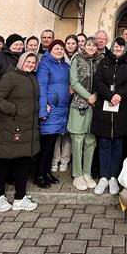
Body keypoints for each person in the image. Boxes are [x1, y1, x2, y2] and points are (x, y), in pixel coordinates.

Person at [0, 52, 40, 212]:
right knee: (3, 161)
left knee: (23, 163)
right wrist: (14, 110)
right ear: (21, 61)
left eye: (33, 62)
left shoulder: (31, 78)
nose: (31, 64)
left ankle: (20, 198)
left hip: (27, 128)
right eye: (28, 61)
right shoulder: (10, 76)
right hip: (11, 127)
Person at [92, 38, 127, 195]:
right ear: (112, 47)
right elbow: (97, 81)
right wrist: (109, 95)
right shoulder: (104, 62)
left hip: (122, 108)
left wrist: (120, 95)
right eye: (116, 46)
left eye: (121, 46)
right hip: (105, 107)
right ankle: (103, 177)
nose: (118, 48)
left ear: (125, 48)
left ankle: (113, 177)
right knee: (104, 143)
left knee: (118, 144)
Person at [35, 40, 71, 188]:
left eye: (61, 49)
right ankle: (39, 174)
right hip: (50, 109)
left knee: (52, 144)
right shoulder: (45, 64)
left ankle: (46, 173)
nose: (59, 50)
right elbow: (41, 87)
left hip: (61, 109)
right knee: (46, 145)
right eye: (56, 48)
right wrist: (43, 109)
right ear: (50, 50)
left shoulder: (64, 65)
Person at [68, 37, 102, 190]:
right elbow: (74, 82)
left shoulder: (100, 61)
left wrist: (95, 95)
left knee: (90, 140)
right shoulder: (77, 59)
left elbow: (102, 81)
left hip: (95, 105)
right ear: (84, 46)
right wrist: (88, 96)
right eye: (88, 44)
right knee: (78, 138)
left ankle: (87, 173)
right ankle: (77, 174)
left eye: (94, 45)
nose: (91, 47)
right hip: (79, 103)